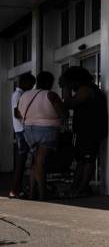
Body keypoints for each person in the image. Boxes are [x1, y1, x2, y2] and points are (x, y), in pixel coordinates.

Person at [17, 71, 67, 201]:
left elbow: (17, 113)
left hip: (28, 130)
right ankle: (42, 193)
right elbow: (62, 113)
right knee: (41, 162)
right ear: (48, 82)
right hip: (46, 130)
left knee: (35, 161)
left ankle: (32, 192)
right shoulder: (50, 95)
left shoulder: (25, 95)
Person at [61, 66, 107, 198]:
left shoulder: (86, 90)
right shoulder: (87, 89)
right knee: (81, 160)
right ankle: (77, 187)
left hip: (90, 131)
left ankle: (81, 189)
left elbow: (69, 103)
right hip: (85, 131)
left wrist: (66, 87)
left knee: (87, 160)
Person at [8, 72, 34, 198]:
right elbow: (16, 113)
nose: (31, 87)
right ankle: (15, 189)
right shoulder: (18, 95)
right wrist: (29, 121)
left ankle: (18, 188)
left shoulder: (19, 94)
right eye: (31, 84)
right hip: (21, 130)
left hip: (21, 130)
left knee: (23, 160)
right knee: (22, 160)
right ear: (24, 83)